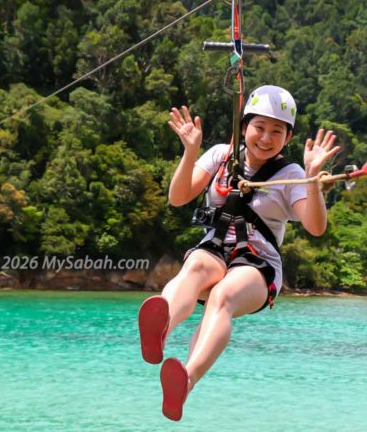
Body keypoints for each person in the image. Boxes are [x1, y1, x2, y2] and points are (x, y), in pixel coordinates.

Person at [138, 85, 339, 421]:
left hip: (257, 265)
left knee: (223, 296)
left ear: (287, 138)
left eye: (277, 131)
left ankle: (186, 379)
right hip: (215, 249)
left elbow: (315, 227)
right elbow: (178, 197)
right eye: (259, 127)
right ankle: (162, 326)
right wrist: (190, 153)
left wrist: (313, 181)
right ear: (244, 126)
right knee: (195, 268)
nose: (265, 137)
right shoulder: (220, 156)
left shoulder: (291, 176)